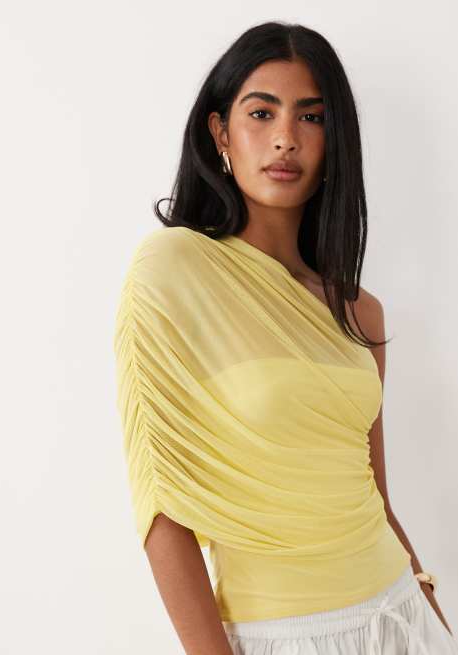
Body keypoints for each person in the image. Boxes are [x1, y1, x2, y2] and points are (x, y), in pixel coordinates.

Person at [113, 21, 458, 655]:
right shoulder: (173, 271)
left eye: (311, 116)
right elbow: (162, 507)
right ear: (220, 132)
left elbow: (376, 496)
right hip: (281, 634)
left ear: (334, 140)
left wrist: (433, 613)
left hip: (401, 618)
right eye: (261, 112)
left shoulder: (360, 311)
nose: (285, 138)